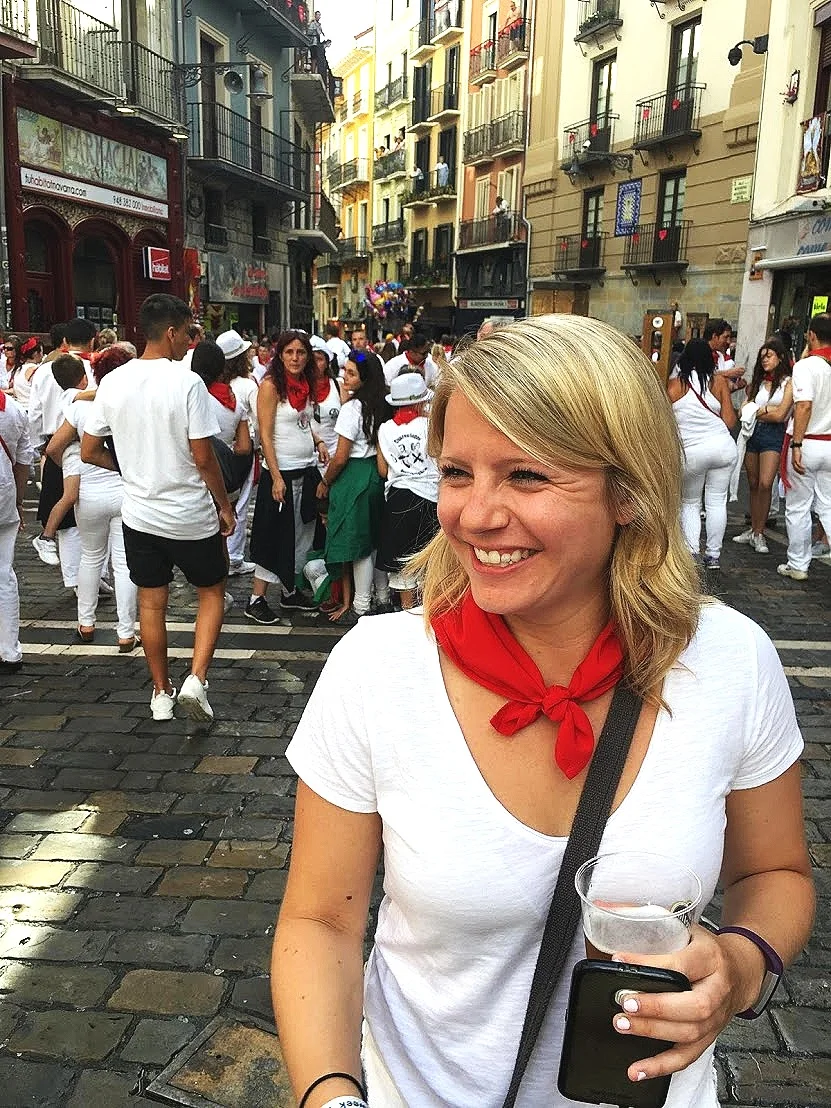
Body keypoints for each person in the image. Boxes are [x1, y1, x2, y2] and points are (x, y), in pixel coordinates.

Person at [271, 314, 814, 1108]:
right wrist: (330, 1096)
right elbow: (319, 921)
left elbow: (776, 872)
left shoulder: (728, 660)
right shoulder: (377, 669)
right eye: (457, 472)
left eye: (526, 476)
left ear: (627, 491)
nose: (474, 515)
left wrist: (738, 965)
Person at [82, 293, 235, 725]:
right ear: (171, 333)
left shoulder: (112, 382)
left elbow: (90, 449)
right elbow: (204, 458)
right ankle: (196, 679)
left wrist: (127, 468)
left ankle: (160, 692)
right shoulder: (187, 383)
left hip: (140, 515)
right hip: (188, 512)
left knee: (151, 604)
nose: (190, 343)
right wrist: (225, 507)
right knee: (211, 592)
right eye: (188, 334)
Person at [46, 345, 138, 650]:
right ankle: (126, 631)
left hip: (90, 491)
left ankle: (86, 623)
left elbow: (53, 447)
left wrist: (70, 464)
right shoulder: (134, 403)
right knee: (124, 563)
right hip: (126, 490)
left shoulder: (80, 405)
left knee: (91, 556)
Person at [246, 330, 329, 625]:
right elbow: (265, 436)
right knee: (274, 536)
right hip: (281, 473)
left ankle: (289, 590)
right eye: (290, 352)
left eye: (301, 353)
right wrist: (276, 476)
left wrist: (318, 440)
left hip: (305, 469)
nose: (295, 358)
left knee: (301, 535)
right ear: (280, 355)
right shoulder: (270, 387)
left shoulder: (305, 386)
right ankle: (256, 598)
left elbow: (303, 423)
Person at [318, 349, 390, 621]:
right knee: (376, 540)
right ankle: (382, 596)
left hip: (355, 475)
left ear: (364, 378)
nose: (344, 377)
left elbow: (340, 457)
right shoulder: (384, 403)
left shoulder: (351, 410)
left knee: (357, 543)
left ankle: (361, 604)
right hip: (378, 473)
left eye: (350, 373)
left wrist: (325, 481)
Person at [29, 317, 97, 590]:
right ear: (92, 339)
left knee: (70, 513)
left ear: (65, 342)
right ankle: (91, 575)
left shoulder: (45, 371)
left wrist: (40, 449)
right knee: (86, 509)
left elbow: (34, 414)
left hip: (53, 444)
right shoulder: (95, 370)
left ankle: (75, 577)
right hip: (88, 444)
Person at [668, 338, 737, 569]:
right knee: (717, 502)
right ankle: (714, 555)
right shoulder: (718, 381)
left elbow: (664, 423)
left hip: (692, 452)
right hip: (723, 448)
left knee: (690, 503)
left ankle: (691, 552)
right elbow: (729, 420)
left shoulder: (675, 385)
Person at [376, 372, 439, 609]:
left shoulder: (384, 429)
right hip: (429, 498)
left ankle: (406, 611)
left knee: (402, 565)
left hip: (398, 497)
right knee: (428, 559)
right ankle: (427, 611)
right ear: (421, 401)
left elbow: (382, 469)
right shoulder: (430, 424)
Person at [777, 312, 831, 581]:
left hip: (808, 442)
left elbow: (804, 405)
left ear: (811, 335)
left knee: (798, 506)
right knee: (828, 506)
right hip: (829, 444)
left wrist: (796, 443)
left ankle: (798, 563)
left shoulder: (806, 366)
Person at [732, 338, 792, 555]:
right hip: (753, 433)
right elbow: (742, 410)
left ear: (780, 357)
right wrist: (763, 410)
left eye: (770, 356)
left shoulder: (787, 383)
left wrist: (758, 410)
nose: (765, 360)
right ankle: (753, 528)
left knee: (767, 483)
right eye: (763, 356)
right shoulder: (757, 383)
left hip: (774, 435)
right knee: (753, 482)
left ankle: (760, 531)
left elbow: (781, 414)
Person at [36, 354, 87, 567]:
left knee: (76, 503)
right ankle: (46, 537)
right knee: (69, 497)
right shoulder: (73, 395)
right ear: (83, 377)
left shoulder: (69, 394)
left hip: (68, 450)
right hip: (68, 450)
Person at [214, 330, 257, 576]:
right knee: (240, 503)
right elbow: (258, 423)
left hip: (217, 451)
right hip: (242, 450)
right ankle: (236, 556)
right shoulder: (248, 386)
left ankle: (223, 553)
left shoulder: (215, 385)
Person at [0, 384, 33, 673]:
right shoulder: (13, 409)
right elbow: (23, 461)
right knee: (4, 574)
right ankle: (10, 650)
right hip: (5, 496)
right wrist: (19, 502)